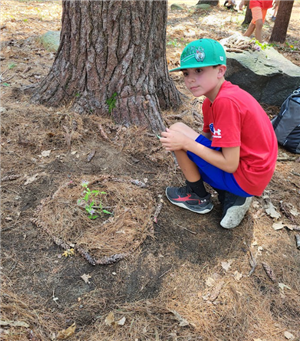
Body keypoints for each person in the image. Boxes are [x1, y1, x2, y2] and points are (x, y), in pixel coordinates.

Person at [160, 38, 277, 229]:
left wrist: (186, 145)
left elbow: (230, 164)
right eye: (186, 72)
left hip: (246, 175)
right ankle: (232, 195)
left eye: (199, 70)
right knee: (178, 130)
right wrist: (189, 147)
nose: (190, 79)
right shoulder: (211, 100)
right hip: (250, 168)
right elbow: (209, 139)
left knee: (179, 139)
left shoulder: (226, 102)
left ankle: (198, 197)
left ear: (220, 71)